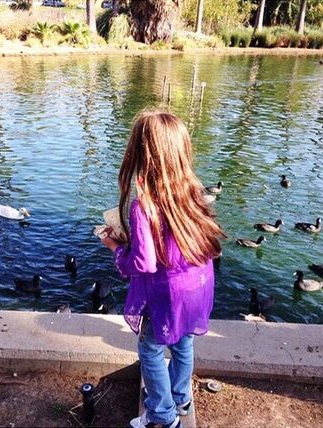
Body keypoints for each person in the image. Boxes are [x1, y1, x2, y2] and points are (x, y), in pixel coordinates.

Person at [100, 109, 224, 428]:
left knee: (151, 350)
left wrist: (117, 248)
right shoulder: (193, 193)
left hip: (166, 294)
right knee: (184, 342)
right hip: (198, 284)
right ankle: (180, 397)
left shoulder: (145, 205)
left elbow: (144, 263)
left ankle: (163, 415)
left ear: (142, 155)